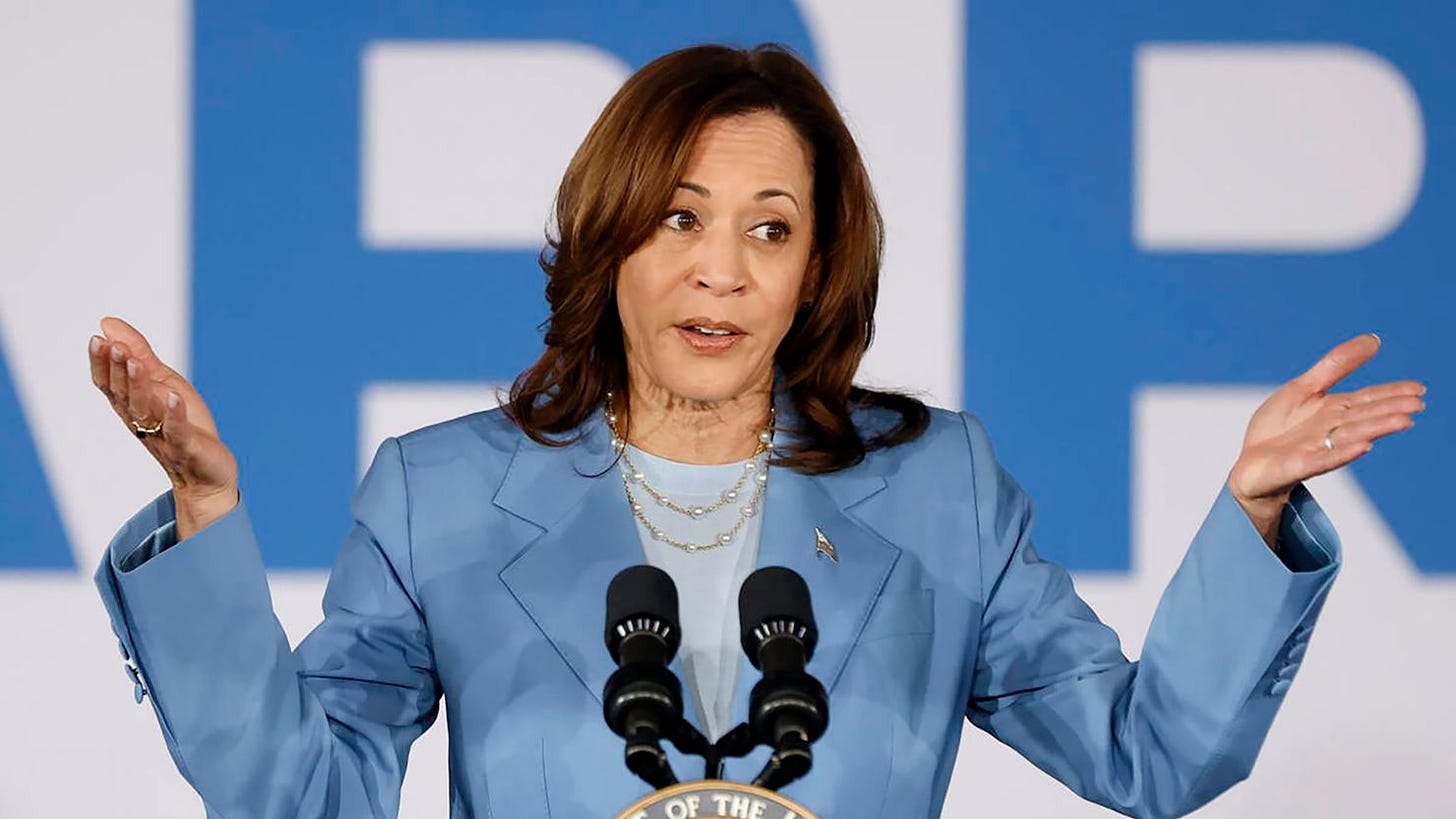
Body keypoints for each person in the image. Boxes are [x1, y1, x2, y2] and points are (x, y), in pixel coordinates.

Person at [87, 43, 1424, 819]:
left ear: (814, 268)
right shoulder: (437, 494)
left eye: (768, 230)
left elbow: (1153, 755)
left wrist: (1250, 510)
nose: (720, 271)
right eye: (677, 218)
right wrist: (206, 515)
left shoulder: (935, 486)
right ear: (609, 239)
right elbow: (298, 799)